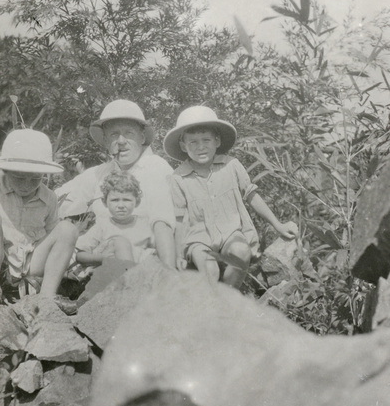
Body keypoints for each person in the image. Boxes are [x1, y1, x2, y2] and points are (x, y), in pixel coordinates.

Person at [163, 105, 297, 288]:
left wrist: (278, 225)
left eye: (206, 140)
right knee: (210, 271)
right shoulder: (178, 178)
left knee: (241, 252)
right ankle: (210, 306)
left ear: (217, 141)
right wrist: (178, 254)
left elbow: (252, 197)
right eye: (193, 142)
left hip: (230, 233)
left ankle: (227, 298)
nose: (201, 146)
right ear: (183, 146)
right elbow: (178, 220)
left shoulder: (232, 165)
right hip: (198, 239)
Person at [0, 129, 78, 310]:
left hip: (30, 263)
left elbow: (52, 234)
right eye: (19, 178)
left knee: (67, 229)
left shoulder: (48, 197)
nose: (27, 186)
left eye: (35, 179)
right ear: (6, 171)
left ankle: (46, 297)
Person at [56, 99, 175, 267]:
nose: (121, 141)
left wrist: (167, 272)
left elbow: (163, 225)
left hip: (145, 262)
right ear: (105, 140)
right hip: (103, 262)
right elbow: (57, 201)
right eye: (114, 135)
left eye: (128, 133)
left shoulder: (156, 168)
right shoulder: (100, 173)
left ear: (142, 137)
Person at [71, 171, 154, 279]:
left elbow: (158, 247)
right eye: (115, 200)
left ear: (137, 202)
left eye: (127, 200)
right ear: (105, 202)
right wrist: (101, 258)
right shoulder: (102, 226)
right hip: (108, 273)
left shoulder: (144, 225)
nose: (121, 205)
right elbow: (80, 255)